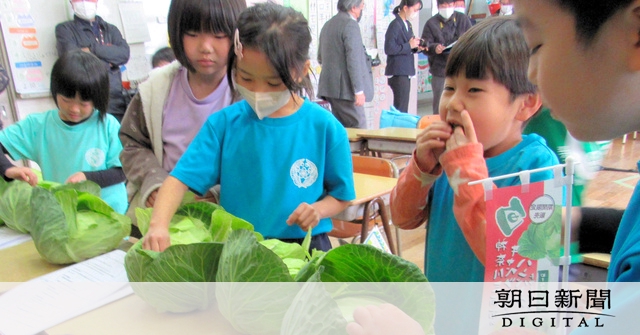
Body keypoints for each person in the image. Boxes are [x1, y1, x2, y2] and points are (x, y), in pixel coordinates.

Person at [142, 3, 355, 253]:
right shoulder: (223, 125)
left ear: (301, 71)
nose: (257, 91)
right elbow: (178, 180)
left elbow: (342, 195)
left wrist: (318, 210)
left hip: (305, 248)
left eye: (273, 82)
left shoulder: (325, 127)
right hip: (242, 251)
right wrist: (158, 225)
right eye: (245, 78)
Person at [390, 16, 558, 282]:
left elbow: (515, 266)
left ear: (526, 103)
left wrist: (466, 175)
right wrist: (422, 169)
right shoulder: (446, 155)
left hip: (495, 321)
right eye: (450, 87)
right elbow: (402, 218)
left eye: (475, 89)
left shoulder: (536, 165)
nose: (454, 103)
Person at [118, 0, 245, 231]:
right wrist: (154, 182)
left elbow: (256, 161)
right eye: (193, 33)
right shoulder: (155, 88)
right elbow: (132, 143)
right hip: (161, 218)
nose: (206, 47)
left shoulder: (247, 93)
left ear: (237, 36)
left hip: (223, 221)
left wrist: (218, 193)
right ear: (177, 33)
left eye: (218, 35)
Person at [0, 50, 127, 214]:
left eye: (84, 103)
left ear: (98, 98)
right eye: (66, 100)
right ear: (55, 92)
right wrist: (8, 169)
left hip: (109, 217)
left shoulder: (107, 125)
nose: (74, 109)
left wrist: (88, 177)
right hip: (64, 215)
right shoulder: (38, 126)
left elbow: (123, 171)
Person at [56, 0, 130, 122]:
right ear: (71, 3)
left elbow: (124, 54)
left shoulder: (110, 29)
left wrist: (91, 49)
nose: (85, 3)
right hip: (84, 98)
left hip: (115, 97)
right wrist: (109, 61)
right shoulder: (65, 29)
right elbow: (71, 58)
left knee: (117, 137)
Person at [317, 0, 374, 128]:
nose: (362, 10)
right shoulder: (350, 25)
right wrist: (358, 90)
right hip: (347, 91)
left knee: (341, 130)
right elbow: (353, 60)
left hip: (330, 89)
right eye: (362, 6)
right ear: (354, 7)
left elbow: (320, 57)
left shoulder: (328, 24)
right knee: (360, 130)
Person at [420, 0, 472, 115]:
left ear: (454, 5)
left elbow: (472, 40)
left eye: (449, 5)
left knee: (461, 103)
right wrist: (434, 48)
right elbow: (425, 46)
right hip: (439, 70)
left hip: (461, 70)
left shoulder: (463, 19)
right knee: (440, 103)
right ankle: (438, 128)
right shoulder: (431, 23)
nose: (447, 8)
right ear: (438, 7)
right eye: (443, 5)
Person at [384, 0, 425, 113]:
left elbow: (408, 46)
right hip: (398, 71)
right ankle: (399, 129)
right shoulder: (395, 25)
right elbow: (389, 48)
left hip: (405, 70)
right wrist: (409, 45)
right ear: (405, 8)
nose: (416, 13)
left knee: (403, 106)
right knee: (401, 108)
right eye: (415, 10)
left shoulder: (407, 24)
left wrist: (416, 47)